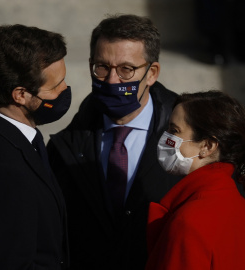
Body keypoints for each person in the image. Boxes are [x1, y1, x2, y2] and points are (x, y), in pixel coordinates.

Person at [47, 14, 181, 270]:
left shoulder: (192, 143)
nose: (111, 80)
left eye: (126, 69)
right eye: (102, 67)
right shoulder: (65, 147)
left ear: (151, 73)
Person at [0, 24, 71, 270]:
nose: (65, 90)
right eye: (55, 86)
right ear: (20, 95)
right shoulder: (2, 168)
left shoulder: (13, 135)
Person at [145, 90, 245, 270]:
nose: (166, 136)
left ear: (207, 146)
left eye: (174, 130)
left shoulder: (189, 221)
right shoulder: (236, 203)